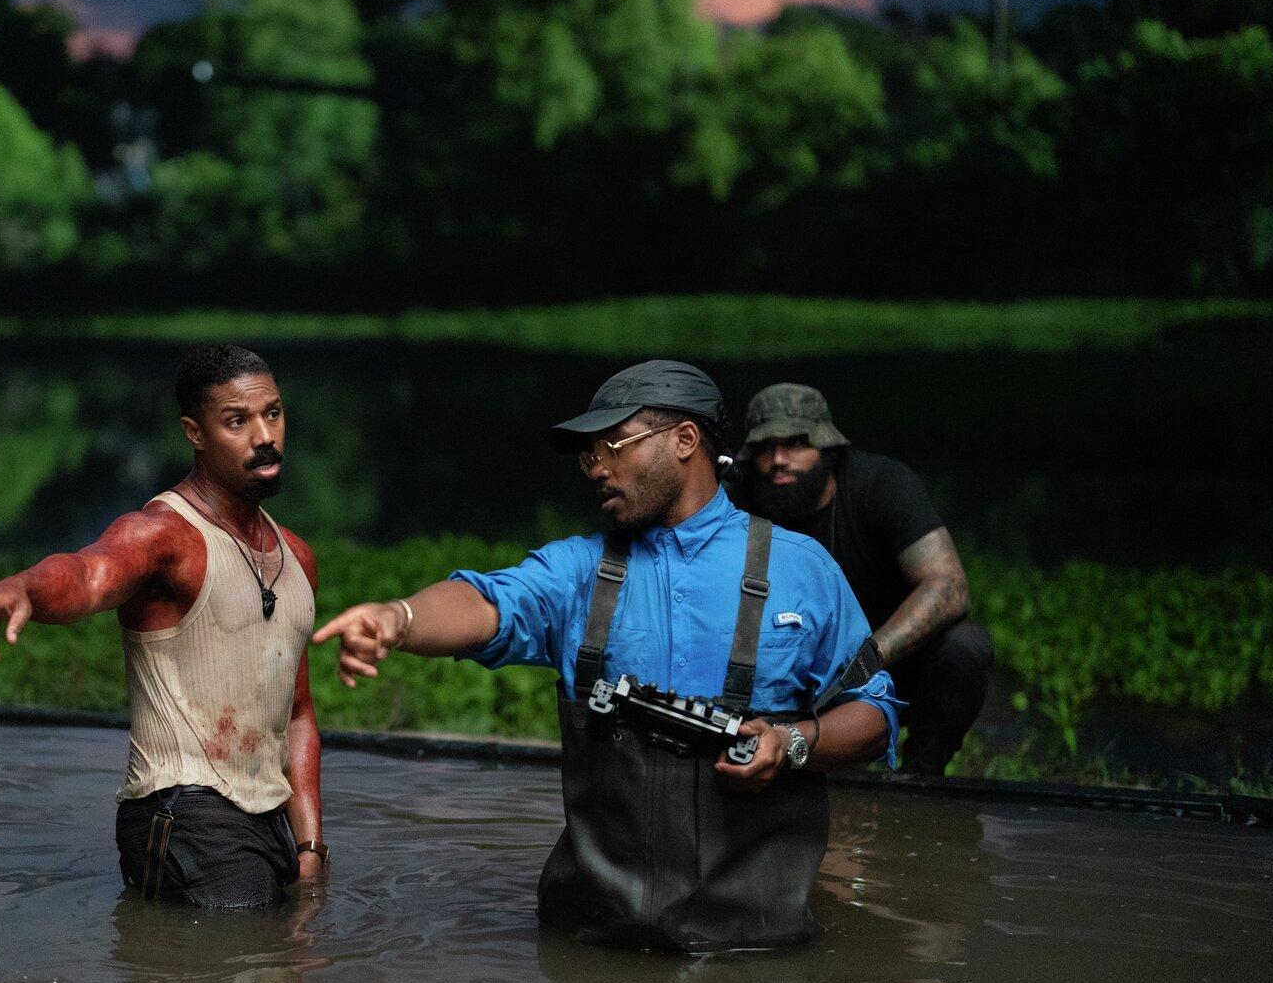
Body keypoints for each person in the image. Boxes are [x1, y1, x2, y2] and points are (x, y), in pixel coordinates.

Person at [314, 360, 900, 952]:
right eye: (588, 455)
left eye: (613, 446)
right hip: (590, 944)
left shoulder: (801, 570)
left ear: (685, 440)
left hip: (757, 948)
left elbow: (874, 716)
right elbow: (489, 602)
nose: (597, 468)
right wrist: (399, 618)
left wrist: (792, 742)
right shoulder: (578, 571)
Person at [0, 344, 325, 909]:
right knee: (246, 954)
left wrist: (311, 846)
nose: (264, 436)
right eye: (236, 421)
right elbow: (89, 574)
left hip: (271, 822)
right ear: (195, 433)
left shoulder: (297, 557)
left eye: (273, 413)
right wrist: (26, 587)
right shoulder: (163, 534)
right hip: (185, 811)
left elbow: (297, 714)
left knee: (284, 956)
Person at [733, 383, 990, 776]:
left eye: (796, 444)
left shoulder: (880, 483)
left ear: (828, 448)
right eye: (765, 447)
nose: (779, 460)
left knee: (964, 647)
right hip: (789, 669)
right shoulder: (740, 498)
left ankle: (920, 777)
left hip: (887, 660)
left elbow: (948, 586)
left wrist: (866, 659)